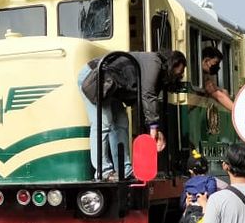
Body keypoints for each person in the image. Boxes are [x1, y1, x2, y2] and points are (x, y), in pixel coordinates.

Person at [77, 49, 187, 180]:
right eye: (179, 71)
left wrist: (156, 130)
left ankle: (124, 169)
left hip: (112, 84)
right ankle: (103, 171)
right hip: (94, 77)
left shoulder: (157, 70)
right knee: (103, 122)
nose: (179, 75)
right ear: (173, 64)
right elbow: (147, 95)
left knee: (122, 122)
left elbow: (145, 102)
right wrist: (153, 127)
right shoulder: (154, 63)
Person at [199, 46, 234, 112]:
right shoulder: (198, 74)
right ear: (206, 60)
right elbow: (217, 95)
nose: (218, 67)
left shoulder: (205, 76)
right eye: (216, 63)